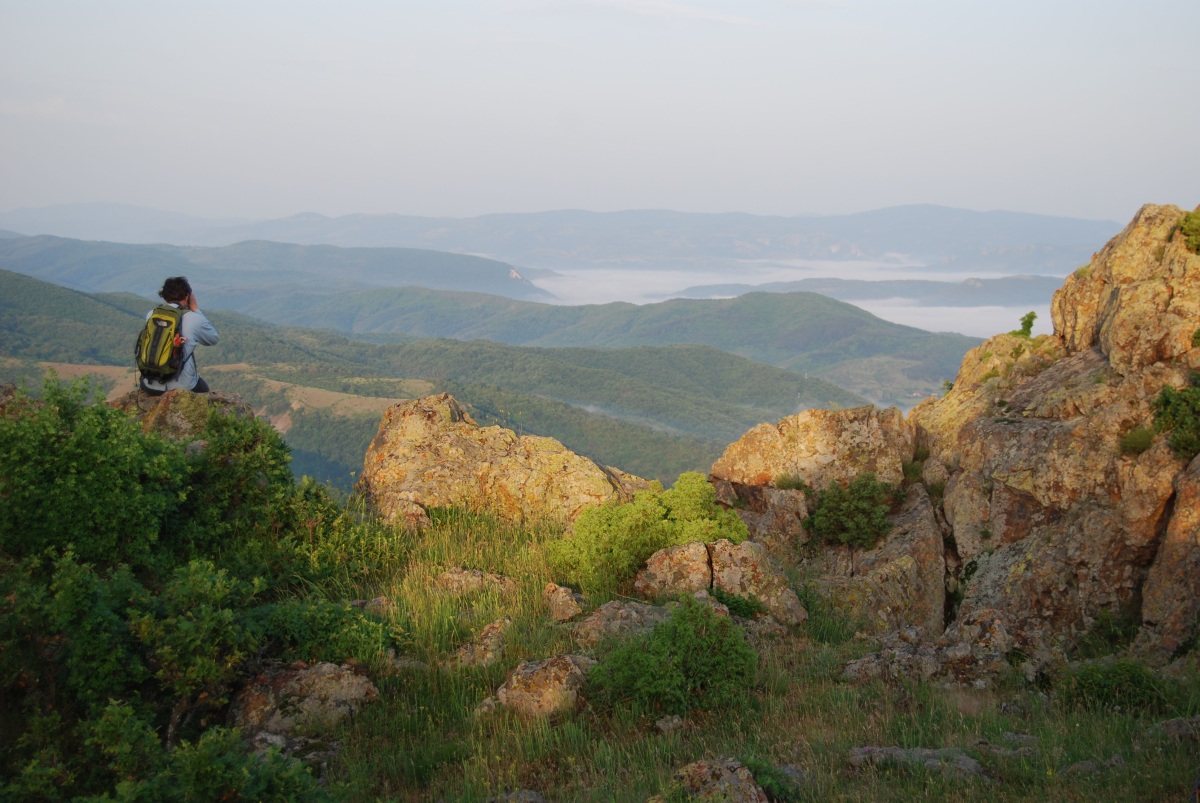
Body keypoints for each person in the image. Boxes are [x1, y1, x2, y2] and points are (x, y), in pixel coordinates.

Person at [140, 276, 219, 396]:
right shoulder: (193, 318)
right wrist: (195, 308)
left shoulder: (152, 314)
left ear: (164, 295)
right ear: (187, 296)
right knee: (205, 393)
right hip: (182, 387)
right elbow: (213, 338)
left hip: (149, 384)